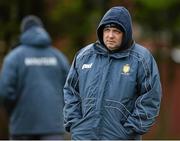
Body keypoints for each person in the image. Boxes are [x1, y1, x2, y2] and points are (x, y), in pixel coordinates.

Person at [63, 6, 162, 140]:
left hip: (121, 137)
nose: (110, 35)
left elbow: (151, 97)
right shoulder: (84, 56)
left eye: (116, 31)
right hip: (83, 136)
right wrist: (75, 123)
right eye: (107, 30)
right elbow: (70, 91)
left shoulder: (141, 59)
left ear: (126, 33)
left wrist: (131, 129)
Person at [0, 15, 69, 140]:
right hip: (53, 128)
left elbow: (5, 91)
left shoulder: (14, 57)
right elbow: (71, 90)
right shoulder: (58, 57)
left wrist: (14, 111)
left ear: (24, 32)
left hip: (22, 127)